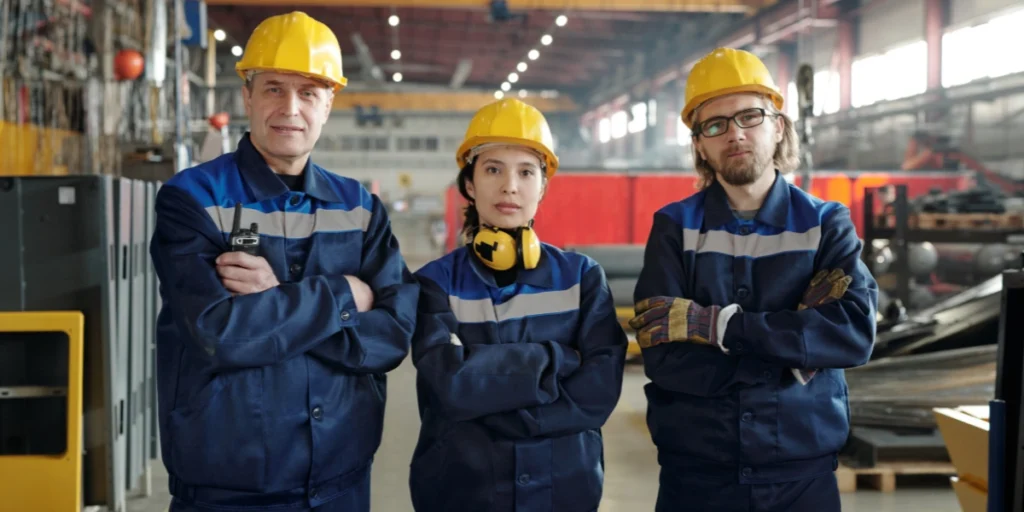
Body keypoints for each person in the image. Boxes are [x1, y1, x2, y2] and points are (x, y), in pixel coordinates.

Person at [149, 11, 418, 512]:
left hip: (341, 478)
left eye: (309, 92)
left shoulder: (358, 208)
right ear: (248, 96)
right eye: (274, 88)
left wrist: (276, 303)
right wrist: (344, 294)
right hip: (228, 488)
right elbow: (220, 334)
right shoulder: (192, 199)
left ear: (329, 104)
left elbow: (394, 336)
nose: (290, 108)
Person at [628, 47, 878, 512]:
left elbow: (850, 335)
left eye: (750, 116)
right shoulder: (674, 228)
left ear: (778, 125)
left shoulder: (825, 224)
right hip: (698, 477)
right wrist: (793, 351)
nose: (735, 134)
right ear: (700, 144)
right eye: (715, 124)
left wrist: (719, 327)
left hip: (801, 477)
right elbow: (665, 356)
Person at [408, 98, 628, 512]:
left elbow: (599, 390)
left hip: (564, 489)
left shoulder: (582, 278)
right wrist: (560, 359)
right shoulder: (434, 283)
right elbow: (451, 386)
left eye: (526, 172)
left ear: (543, 186)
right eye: (493, 169)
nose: (510, 185)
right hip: (462, 490)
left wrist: (492, 391)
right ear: (469, 184)